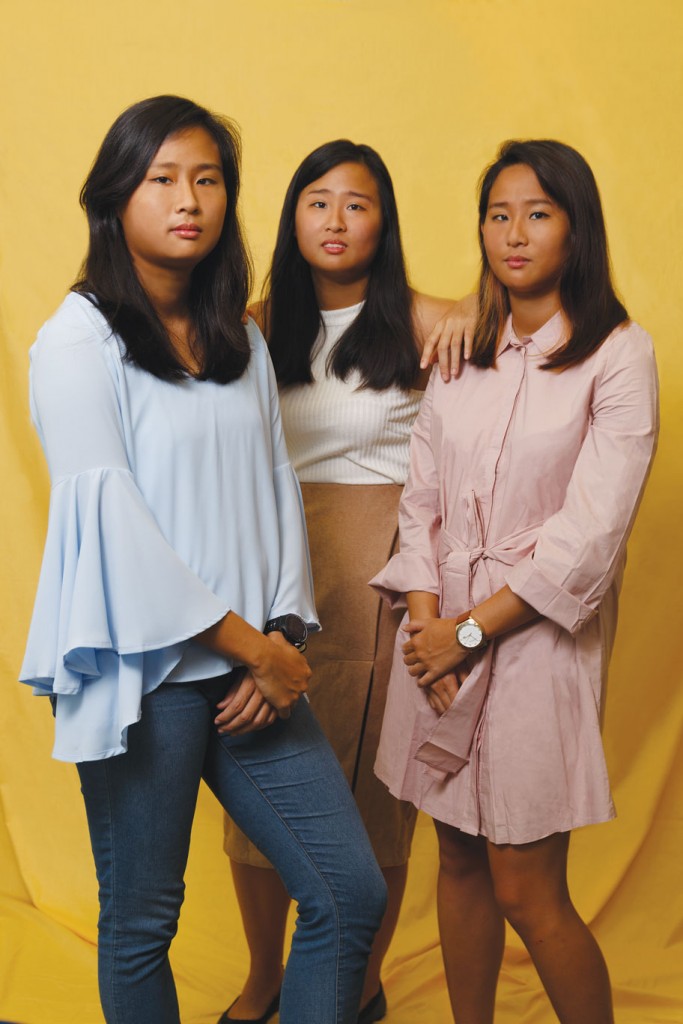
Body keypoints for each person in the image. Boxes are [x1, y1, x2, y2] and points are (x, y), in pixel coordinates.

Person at [19, 96, 387, 1024]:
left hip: (251, 663)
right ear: (116, 196)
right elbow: (113, 531)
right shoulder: (76, 341)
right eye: (163, 179)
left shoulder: (240, 337)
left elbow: (272, 491)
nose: (188, 199)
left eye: (208, 179)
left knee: (347, 892)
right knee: (143, 920)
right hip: (143, 675)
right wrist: (251, 646)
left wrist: (280, 632)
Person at [370, 139, 658, 1023]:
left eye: (537, 213)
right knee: (456, 858)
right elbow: (420, 499)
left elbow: (588, 536)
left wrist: (465, 634)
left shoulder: (618, 354)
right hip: (437, 639)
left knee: (527, 887)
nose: (514, 234)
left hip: (534, 645)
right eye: (498, 214)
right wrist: (427, 631)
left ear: (577, 228)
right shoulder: (463, 348)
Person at [220, 140, 475, 1024]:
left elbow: (508, 314)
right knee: (260, 784)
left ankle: (359, 986)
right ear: (292, 215)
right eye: (317, 200)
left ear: (383, 222)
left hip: (382, 579)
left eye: (357, 203)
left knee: (374, 794)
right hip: (273, 570)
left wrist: (470, 303)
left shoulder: (420, 318)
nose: (335, 219)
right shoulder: (252, 326)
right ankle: (265, 979)